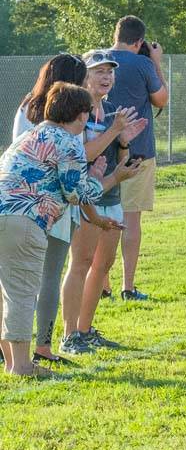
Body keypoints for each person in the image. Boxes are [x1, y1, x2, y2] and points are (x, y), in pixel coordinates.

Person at [0, 83, 105, 377]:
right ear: (81, 115)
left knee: (6, 292)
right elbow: (75, 193)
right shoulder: (68, 141)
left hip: (4, 213)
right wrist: (99, 178)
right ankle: (21, 366)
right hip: (24, 220)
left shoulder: (28, 135)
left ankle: (11, 360)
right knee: (22, 292)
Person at [60, 51, 148, 355]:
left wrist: (124, 141)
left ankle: (84, 330)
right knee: (81, 263)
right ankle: (68, 334)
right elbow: (81, 154)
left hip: (111, 194)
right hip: (84, 199)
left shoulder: (113, 111)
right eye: (99, 71)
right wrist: (114, 132)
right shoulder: (76, 111)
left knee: (103, 265)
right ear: (84, 76)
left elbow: (121, 158)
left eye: (110, 71)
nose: (106, 77)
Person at [9, 54, 89, 364]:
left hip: (19, 202)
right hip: (45, 205)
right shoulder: (65, 117)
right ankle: (39, 349)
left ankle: (14, 351)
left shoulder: (28, 106)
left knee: (15, 282)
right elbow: (73, 177)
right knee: (44, 279)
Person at [108, 15, 169, 301]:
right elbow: (161, 99)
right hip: (137, 150)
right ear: (140, 41)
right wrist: (156, 60)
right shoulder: (144, 63)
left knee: (99, 217)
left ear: (116, 35)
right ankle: (127, 286)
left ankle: (102, 283)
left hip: (100, 149)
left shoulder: (94, 60)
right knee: (131, 219)